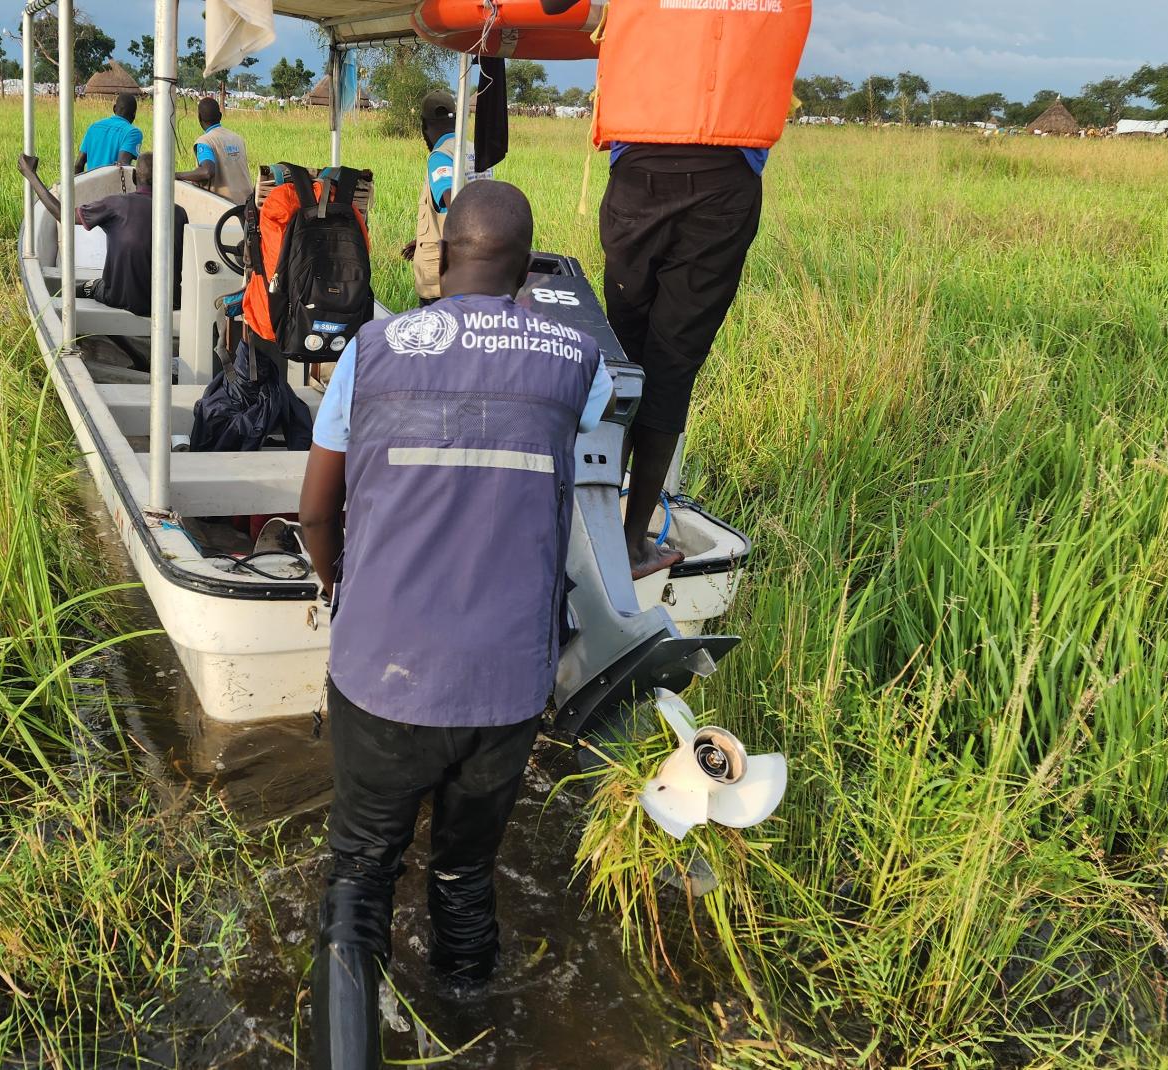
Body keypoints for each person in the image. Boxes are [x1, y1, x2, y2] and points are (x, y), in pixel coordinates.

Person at [298, 181, 613, 1069]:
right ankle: (480, 1034)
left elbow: (319, 512)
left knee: (359, 879)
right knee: (466, 873)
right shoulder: (573, 358)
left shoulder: (375, 348)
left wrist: (339, 586)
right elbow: (588, 486)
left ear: (441, 256)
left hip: (384, 671)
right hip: (508, 684)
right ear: (525, 267)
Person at [594, 0, 811, 578]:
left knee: (622, 358)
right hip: (725, 182)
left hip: (639, 168)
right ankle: (633, 540)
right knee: (671, 363)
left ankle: (590, 523)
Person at [18, 150, 186, 316]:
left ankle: (58, 302)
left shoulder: (116, 204)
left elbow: (63, 215)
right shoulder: (179, 213)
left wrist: (30, 174)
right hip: (170, 302)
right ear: (166, 179)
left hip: (120, 298)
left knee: (90, 286)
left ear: (134, 177)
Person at [404, 90, 491, 305]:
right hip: (477, 266)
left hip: (443, 275)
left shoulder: (441, 156)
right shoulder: (474, 150)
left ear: (424, 125)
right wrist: (425, 239)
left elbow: (453, 203)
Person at [176, 96, 255, 203]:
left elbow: (207, 172)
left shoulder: (205, 142)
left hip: (225, 208)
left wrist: (176, 175)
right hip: (247, 204)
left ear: (199, 118)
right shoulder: (237, 138)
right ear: (220, 116)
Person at [76, 92, 143, 173]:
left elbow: (78, 165)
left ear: (114, 108)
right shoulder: (133, 133)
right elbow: (122, 167)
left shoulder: (93, 127)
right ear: (134, 114)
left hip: (90, 183)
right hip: (112, 185)